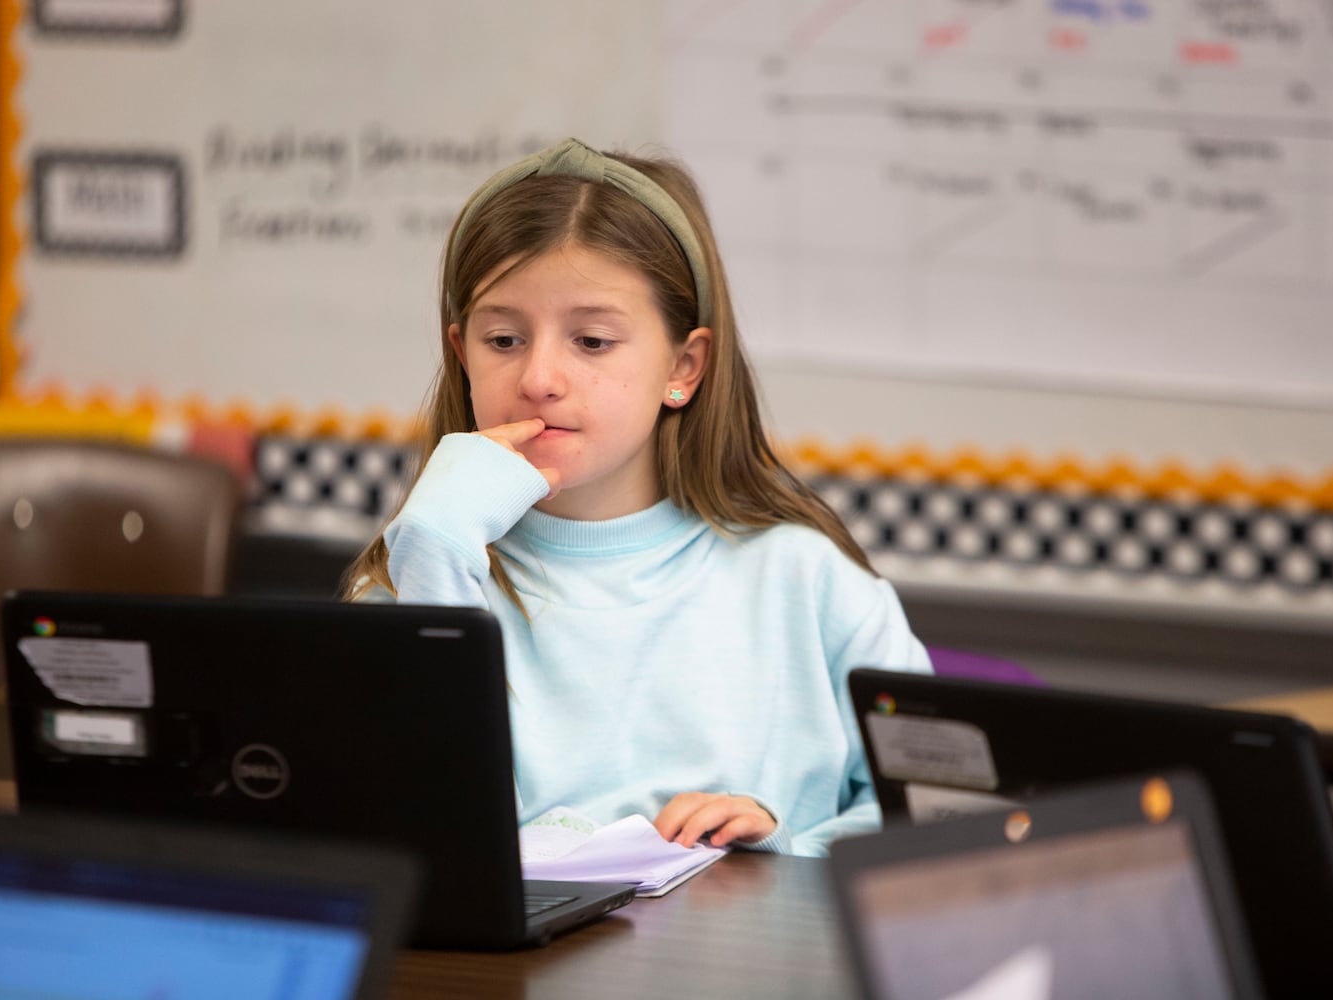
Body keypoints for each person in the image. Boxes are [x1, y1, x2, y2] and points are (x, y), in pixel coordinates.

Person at [347, 137, 929, 857]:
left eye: (591, 341)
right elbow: (408, 836)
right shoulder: (418, 577)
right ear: (462, 354)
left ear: (683, 366)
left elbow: (940, 816)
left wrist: (789, 852)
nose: (539, 378)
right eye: (503, 339)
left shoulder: (810, 585)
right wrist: (432, 552)